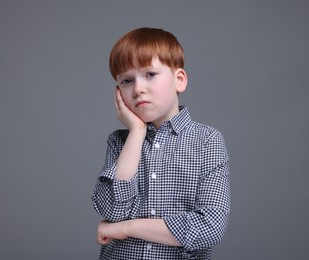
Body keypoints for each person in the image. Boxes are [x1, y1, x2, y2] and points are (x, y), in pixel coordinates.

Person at [92, 27, 231, 259]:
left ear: (179, 80)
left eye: (150, 74)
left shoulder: (207, 141)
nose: (138, 89)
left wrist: (126, 228)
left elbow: (209, 227)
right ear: (118, 92)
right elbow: (114, 210)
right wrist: (136, 132)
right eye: (127, 80)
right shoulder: (118, 143)